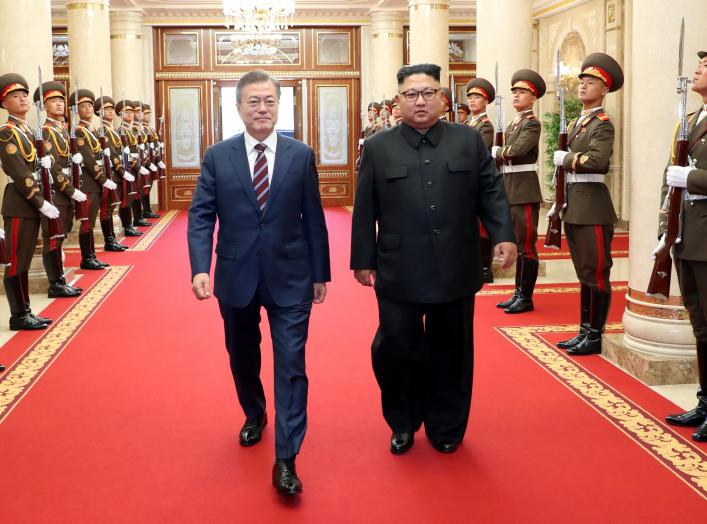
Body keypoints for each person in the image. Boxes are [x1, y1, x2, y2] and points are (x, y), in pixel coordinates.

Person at [351, 63, 516, 455]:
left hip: (454, 266)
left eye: (428, 93)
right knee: (397, 349)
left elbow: (491, 191)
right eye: (411, 94)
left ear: (442, 99)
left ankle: (446, 426)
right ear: (398, 101)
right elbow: (364, 208)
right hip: (398, 268)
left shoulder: (466, 141)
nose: (420, 101)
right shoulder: (378, 147)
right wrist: (362, 259)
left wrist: (503, 236)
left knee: (452, 351)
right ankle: (403, 422)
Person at [188, 70, 330, 496]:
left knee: (291, 365)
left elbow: (314, 218)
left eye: (269, 101)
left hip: (291, 276)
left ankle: (286, 458)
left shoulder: (300, 154)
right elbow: (200, 216)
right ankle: (254, 412)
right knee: (242, 356)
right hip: (236, 275)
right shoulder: (218, 156)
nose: (262, 108)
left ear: (279, 105)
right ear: (238, 108)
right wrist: (200, 267)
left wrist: (320, 273)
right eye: (253, 101)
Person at [552, 53, 623, 356]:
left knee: (596, 272)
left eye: (590, 81)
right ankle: (584, 331)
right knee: (583, 272)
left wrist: (567, 158)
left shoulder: (602, 124)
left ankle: (595, 335)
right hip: (574, 206)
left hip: (593, 207)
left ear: (604, 89)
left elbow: (598, 162)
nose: (582, 85)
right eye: (581, 80)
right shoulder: (578, 122)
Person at [659, 50, 707, 441]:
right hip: (686, 233)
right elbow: (668, 178)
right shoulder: (689, 119)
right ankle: (705, 400)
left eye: (705, 66)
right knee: (700, 323)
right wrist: (665, 225)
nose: (697, 69)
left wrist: (692, 178)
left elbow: (685, 176)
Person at [0, 73, 58, 330]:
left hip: (30, 205)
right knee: (16, 261)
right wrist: (39, 201)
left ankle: (26, 310)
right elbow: (19, 173)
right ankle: (18, 314)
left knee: (23, 260)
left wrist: (49, 162)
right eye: (15, 96)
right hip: (20, 203)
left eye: (24, 95)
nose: (22, 98)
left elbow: (34, 167)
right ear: (4, 104)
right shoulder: (6, 133)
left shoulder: (26, 130)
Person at [493, 69, 546, 314]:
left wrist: (497, 152)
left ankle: (525, 297)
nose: (516, 95)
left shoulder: (532, 124)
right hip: (510, 188)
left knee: (526, 246)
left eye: (522, 92)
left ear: (533, 97)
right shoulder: (516, 122)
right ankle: (517, 293)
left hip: (524, 190)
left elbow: (516, 151)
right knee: (515, 243)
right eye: (514, 91)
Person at [33, 81, 85, 297]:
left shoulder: (61, 130)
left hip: (67, 191)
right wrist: (69, 189)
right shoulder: (45, 131)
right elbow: (52, 166)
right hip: (56, 192)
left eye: (61, 101)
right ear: (44, 105)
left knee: (61, 236)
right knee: (53, 237)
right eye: (53, 101)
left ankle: (60, 278)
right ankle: (55, 283)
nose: (59, 104)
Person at [71, 88, 116, 270]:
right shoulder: (79, 131)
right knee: (87, 221)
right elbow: (89, 159)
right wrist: (102, 178)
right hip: (89, 181)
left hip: (96, 182)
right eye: (84, 106)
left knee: (91, 220)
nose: (89, 108)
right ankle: (86, 258)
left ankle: (92, 255)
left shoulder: (92, 130)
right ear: (76, 110)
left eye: (90, 105)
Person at [466, 77, 497, 284]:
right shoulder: (468, 124)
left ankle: (485, 266)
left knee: (483, 227)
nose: (472, 101)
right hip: (466, 181)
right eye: (470, 97)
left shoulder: (485, 126)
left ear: (486, 101)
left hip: (479, 180)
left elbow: (477, 151)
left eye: (477, 97)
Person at [94, 95, 128, 251]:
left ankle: (112, 238)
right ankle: (109, 240)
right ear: (98, 112)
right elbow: (112, 154)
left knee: (112, 206)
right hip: (110, 173)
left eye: (110, 109)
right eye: (105, 109)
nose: (109, 111)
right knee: (106, 208)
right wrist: (121, 171)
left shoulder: (111, 129)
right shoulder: (102, 130)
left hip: (115, 172)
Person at [114, 100, 142, 237]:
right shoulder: (121, 130)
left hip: (133, 167)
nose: (130, 114)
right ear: (120, 114)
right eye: (127, 112)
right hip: (127, 167)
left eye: (132, 112)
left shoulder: (130, 130)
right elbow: (125, 154)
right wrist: (136, 166)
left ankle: (130, 224)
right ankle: (127, 226)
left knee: (130, 196)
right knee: (125, 198)